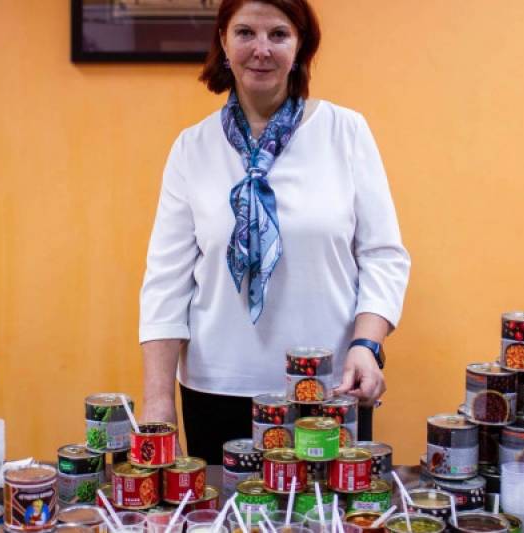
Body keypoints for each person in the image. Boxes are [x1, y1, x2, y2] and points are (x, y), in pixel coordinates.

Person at [139, 0, 410, 465]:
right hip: (216, 388)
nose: (261, 49)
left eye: (278, 34)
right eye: (245, 32)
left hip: (328, 388)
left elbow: (383, 255)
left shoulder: (344, 132)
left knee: (325, 504)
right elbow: (167, 281)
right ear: (224, 42)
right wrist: (157, 402)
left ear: (300, 46)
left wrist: (367, 345)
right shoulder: (192, 147)